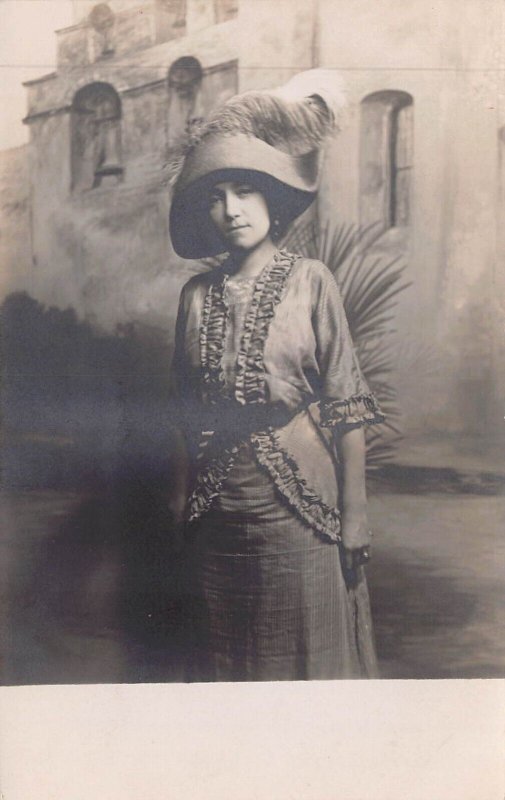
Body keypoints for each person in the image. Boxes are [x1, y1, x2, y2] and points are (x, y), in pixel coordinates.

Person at [168, 71, 385, 681]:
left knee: (307, 654)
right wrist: (180, 502)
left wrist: (357, 514)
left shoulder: (312, 280)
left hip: (301, 506)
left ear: (272, 198)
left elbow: (346, 407)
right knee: (224, 657)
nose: (231, 209)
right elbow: (184, 415)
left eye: (244, 191)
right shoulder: (193, 296)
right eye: (216, 197)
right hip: (217, 508)